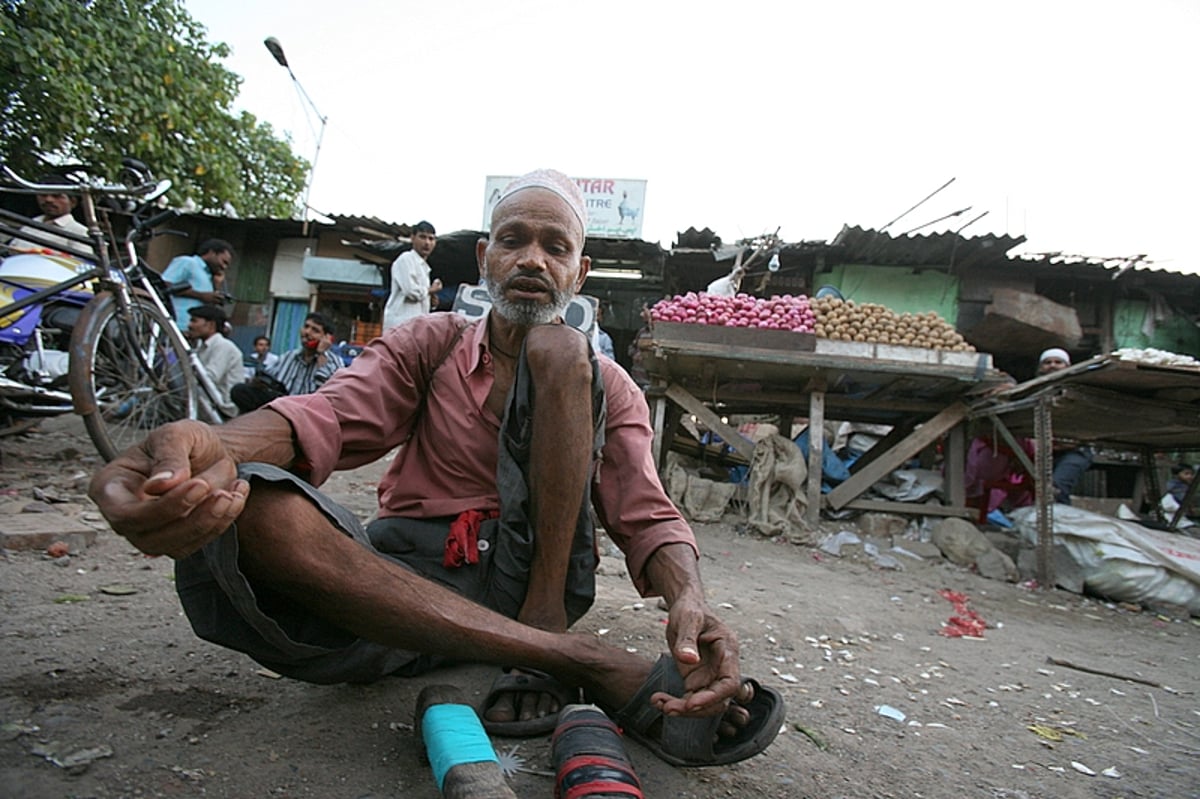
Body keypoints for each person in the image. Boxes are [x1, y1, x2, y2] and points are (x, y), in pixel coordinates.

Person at [87, 168, 783, 768]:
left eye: (555, 246)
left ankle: (541, 630)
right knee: (246, 502)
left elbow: (643, 507)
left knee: (561, 351)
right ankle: (566, 655)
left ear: (580, 272)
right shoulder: (429, 343)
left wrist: (688, 597)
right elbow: (325, 417)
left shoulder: (610, 382)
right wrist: (218, 447)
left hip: (534, 574)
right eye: (513, 240)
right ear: (485, 257)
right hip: (403, 584)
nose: (532, 260)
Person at [230, 312, 340, 414]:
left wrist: (321, 354)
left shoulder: (333, 362)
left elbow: (328, 394)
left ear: (327, 338)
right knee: (240, 391)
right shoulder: (289, 356)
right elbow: (269, 378)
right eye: (306, 327)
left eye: (315, 330)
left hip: (307, 413)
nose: (307, 332)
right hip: (283, 406)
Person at [1036, 348, 1093, 504]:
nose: (1052, 365)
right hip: (1044, 453)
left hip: (1075, 451)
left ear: (1067, 366)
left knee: (1057, 487)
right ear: (1041, 368)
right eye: (1047, 363)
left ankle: (1058, 524)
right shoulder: (1035, 391)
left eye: (1058, 362)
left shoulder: (1078, 388)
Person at [4, 175, 90, 255]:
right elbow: (10, 250)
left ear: (73, 202)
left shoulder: (79, 231)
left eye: (56, 196)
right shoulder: (31, 224)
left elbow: (81, 266)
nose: (48, 200)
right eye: (43, 195)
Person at [186, 305, 243, 420]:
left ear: (211, 325)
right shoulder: (202, 347)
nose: (189, 325)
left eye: (194, 321)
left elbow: (209, 378)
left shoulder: (223, 346)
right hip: (207, 403)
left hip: (222, 409)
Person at [383, 221, 443, 329]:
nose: (427, 243)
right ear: (412, 238)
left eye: (431, 239)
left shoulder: (424, 267)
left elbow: (420, 299)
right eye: (422, 237)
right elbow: (411, 292)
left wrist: (431, 300)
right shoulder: (406, 259)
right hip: (400, 326)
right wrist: (431, 290)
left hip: (415, 328)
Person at [161, 239, 234, 320]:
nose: (224, 267)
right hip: (175, 322)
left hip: (192, 329)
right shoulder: (188, 262)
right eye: (224, 262)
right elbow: (164, 285)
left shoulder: (209, 275)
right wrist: (201, 296)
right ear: (212, 253)